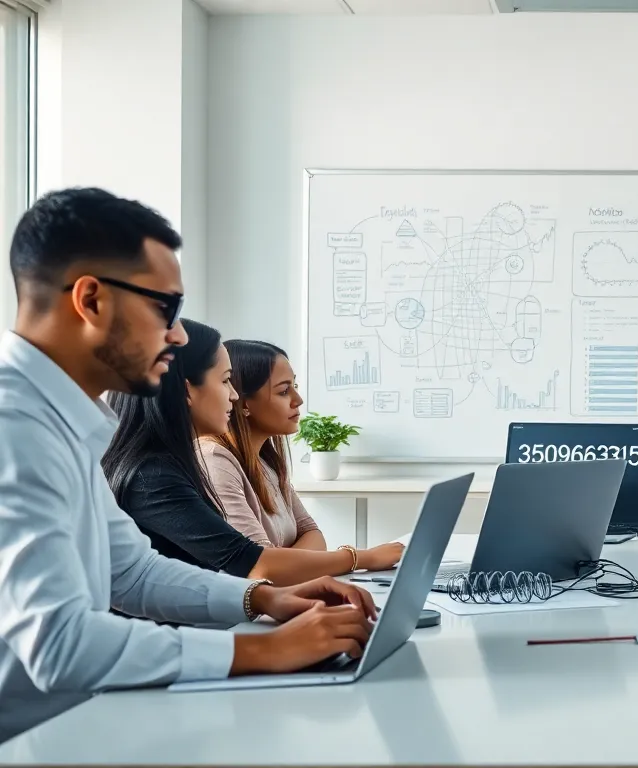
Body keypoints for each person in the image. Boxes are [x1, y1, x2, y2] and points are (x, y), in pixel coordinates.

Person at [0, 187, 378, 744]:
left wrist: (262, 599)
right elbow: (60, 647)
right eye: (165, 308)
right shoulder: (16, 428)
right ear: (92, 300)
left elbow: (130, 573)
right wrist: (262, 650)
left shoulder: (60, 421)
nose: (177, 336)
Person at [103, 320, 404, 583]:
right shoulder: (157, 476)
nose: (232, 395)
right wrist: (359, 558)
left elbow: (265, 561)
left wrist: (279, 584)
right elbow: (254, 565)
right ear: (186, 391)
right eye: (224, 381)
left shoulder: (175, 465)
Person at [198, 339, 327, 549]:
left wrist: (291, 565)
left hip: (291, 583)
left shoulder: (267, 463)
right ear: (244, 402)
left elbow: (313, 534)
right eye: (284, 391)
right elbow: (260, 561)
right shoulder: (215, 460)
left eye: (294, 386)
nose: (298, 399)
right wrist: (358, 557)